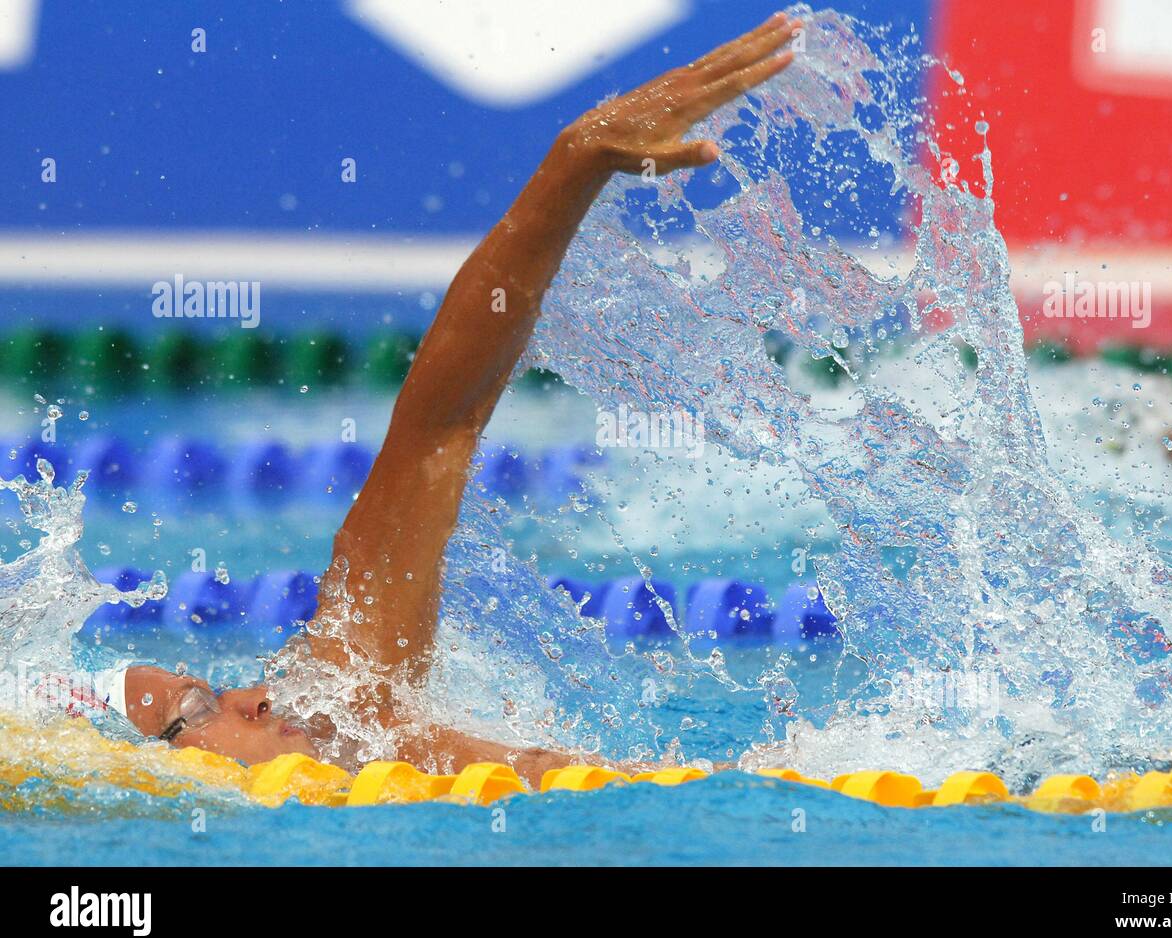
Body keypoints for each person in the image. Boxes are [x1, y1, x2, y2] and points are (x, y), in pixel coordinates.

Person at [85, 14, 802, 786]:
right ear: (141, 772)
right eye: (198, 710)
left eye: (219, 691)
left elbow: (440, 424)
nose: (258, 695)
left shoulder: (354, 708)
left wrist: (575, 161)